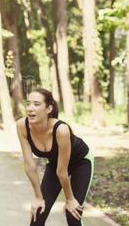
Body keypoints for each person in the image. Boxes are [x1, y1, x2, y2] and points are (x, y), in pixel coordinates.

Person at [16, 88, 94, 226]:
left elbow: (62, 171)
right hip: (56, 164)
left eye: (36, 104)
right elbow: (29, 164)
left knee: (73, 214)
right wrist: (38, 197)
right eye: (28, 103)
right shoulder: (22, 126)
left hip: (81, 163)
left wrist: (69, 199)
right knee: (38, 213)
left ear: (48, 109)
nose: (30, 108)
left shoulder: (61, 130)